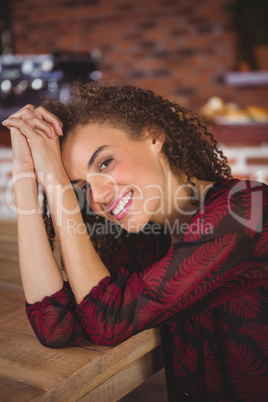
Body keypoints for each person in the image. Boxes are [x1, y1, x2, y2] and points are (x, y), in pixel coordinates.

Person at [2, 81, 268, 402]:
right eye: (82, 188)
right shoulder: (151, 242)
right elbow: (57, 324)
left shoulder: (248, 209)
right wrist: (26, 175)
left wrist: (57, 184)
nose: (97, 196)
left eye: (105, 163)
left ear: (153, 135)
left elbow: (108, 320)